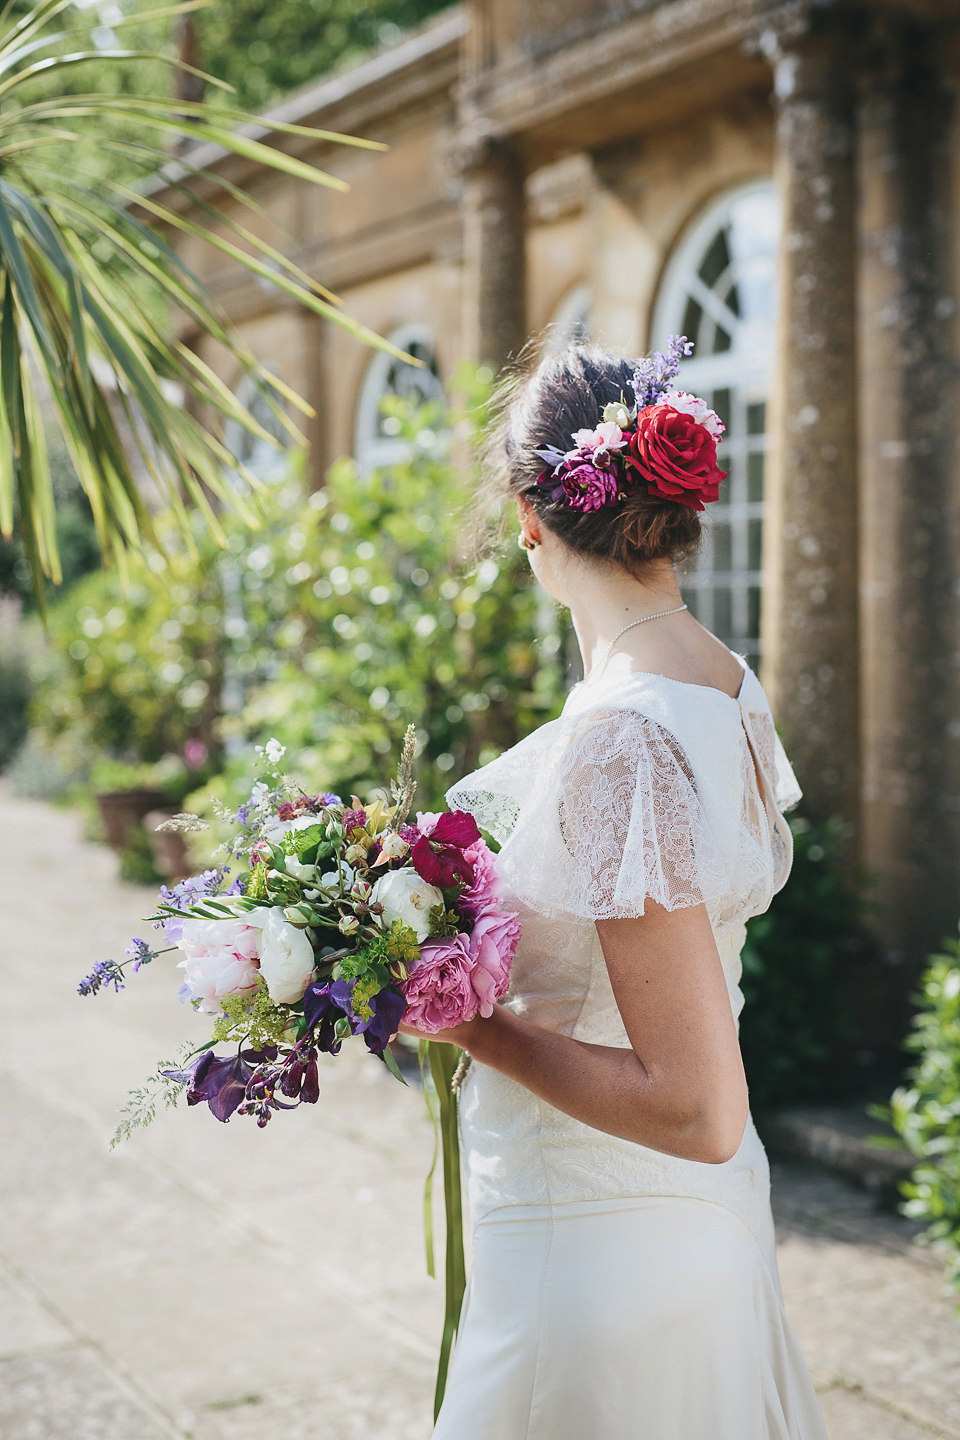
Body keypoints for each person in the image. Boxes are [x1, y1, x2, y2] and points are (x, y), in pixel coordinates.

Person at [400, 341, 828, 1439]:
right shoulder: (724, 684)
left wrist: (470, 1026)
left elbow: (696, 1107)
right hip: (691, 1240)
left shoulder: (622, 735)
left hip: (597, 1258)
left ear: (531, 520)